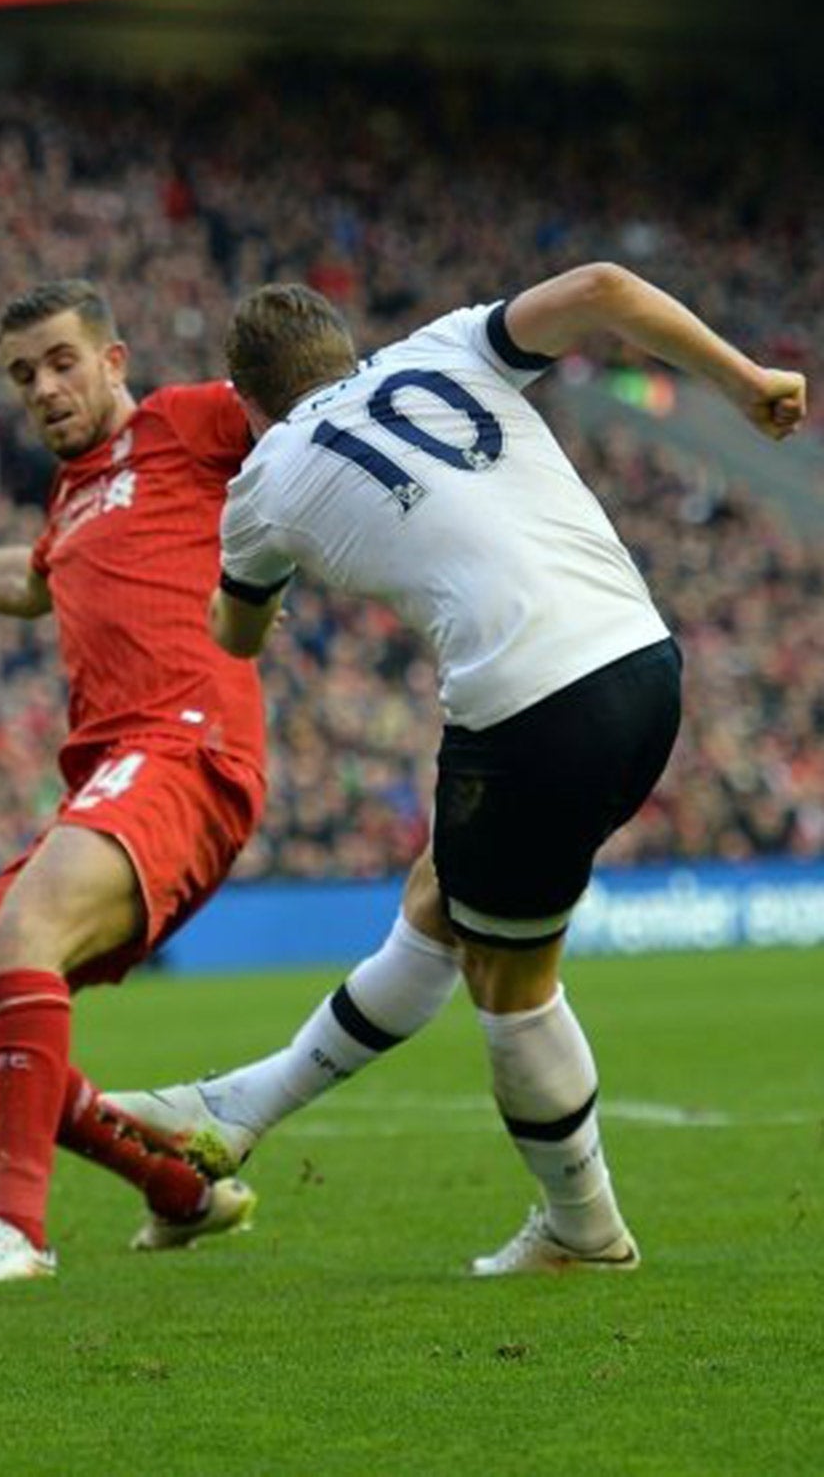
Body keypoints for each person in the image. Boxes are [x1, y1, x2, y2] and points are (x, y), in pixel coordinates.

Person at [122, 264, 805, 1275]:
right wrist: (742, 377)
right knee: (441, 895)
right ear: (345, 350)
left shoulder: (261, 483)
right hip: (642, 663)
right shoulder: (444, 346)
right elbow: (606, 287)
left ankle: (582, 1228)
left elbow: (233, 633)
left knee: (508, 978)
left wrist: (255, 575)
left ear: (243, 399)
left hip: (525, 702)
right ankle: (237, 1107)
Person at [0, 278, 263, 1288]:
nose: (42, 387)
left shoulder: (188, 423)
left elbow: (306, 419)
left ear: (113, 360)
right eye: (21, 373)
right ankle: (178, 1192)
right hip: (105, 775)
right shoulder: (73, 495)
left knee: (29, 932)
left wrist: (277, 565)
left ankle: (17, 1232)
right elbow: (29, 582)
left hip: (184, 750)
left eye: (61, 361)